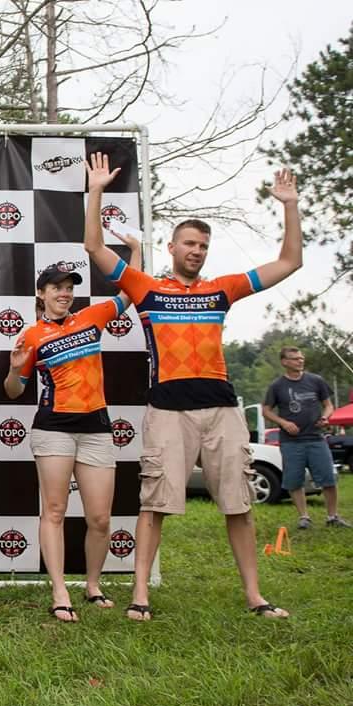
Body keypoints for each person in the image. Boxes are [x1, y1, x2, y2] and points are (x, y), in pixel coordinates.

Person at [83, 152, 301, 620]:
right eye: (189, 243)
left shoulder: (222, 288)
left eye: (202, 245)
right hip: (167, 409)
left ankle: (255, 597)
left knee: (240, 505)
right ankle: (140, 595)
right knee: (154, 505)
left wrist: (289, 205)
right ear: (171, 247)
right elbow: (94, 248)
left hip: (220, 408)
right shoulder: (147, 288)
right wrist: (96, 190)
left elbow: (289, 262)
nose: (196, 251)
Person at [3, 234, 141, 623]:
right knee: (55, 510)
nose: (64, 294)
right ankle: (60, 590)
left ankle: (93, 585)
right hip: (53, 428)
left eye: (68, 288)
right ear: (41, 293)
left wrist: (136, 251)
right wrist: (15, 368)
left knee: (100, 517)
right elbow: (14, 392)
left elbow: (131, 291)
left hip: (97, 425)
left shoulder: (91, 317)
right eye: (56, 288)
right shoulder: (31, 336)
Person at [262, 347, 348, 529]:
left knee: (328, 479)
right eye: (294, 359)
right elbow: (266, 410)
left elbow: (328, 405)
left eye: (301, 358)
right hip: (291, 442)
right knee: (294, 481)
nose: (300, 361)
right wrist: (283, 423)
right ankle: (304, 517)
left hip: (316, 438)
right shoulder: (277, 386)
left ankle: (332, 517)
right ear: (284, 362)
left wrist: (326, 417)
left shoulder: (315, 381)